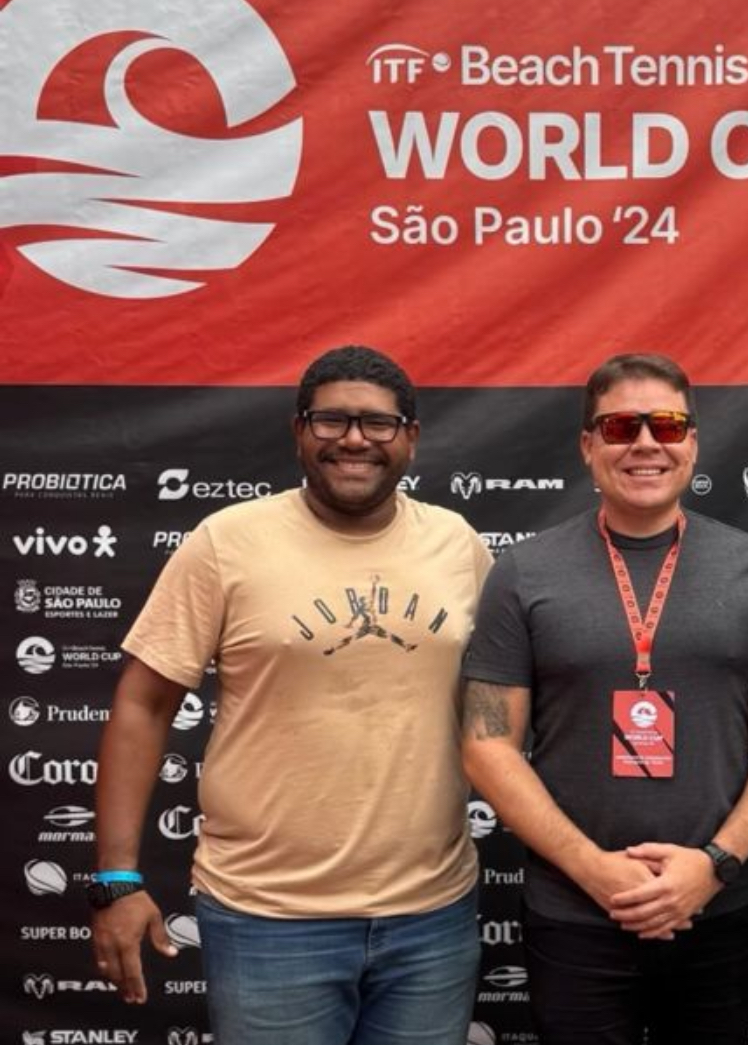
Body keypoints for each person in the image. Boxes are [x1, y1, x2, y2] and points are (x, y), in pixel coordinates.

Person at [89, 345, 493, 1045]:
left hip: (433, 912)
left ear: (412, 436)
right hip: (268, 917)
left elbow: (491, 696)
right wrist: (117, 878)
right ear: (300, 431)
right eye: (331, 419)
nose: (355, 439)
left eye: (378, 422)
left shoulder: (458, 544)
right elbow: (142, 704)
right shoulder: (226, 542)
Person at [461, 353, 748, 1045]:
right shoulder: (522, 572)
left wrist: (712, 864)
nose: (646, 442)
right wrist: (594, 870)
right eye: (621, 425)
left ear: (693, 443)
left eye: (668, 424)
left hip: (716, 905)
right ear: (589, 444)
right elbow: (485, 740)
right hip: (574, 910)